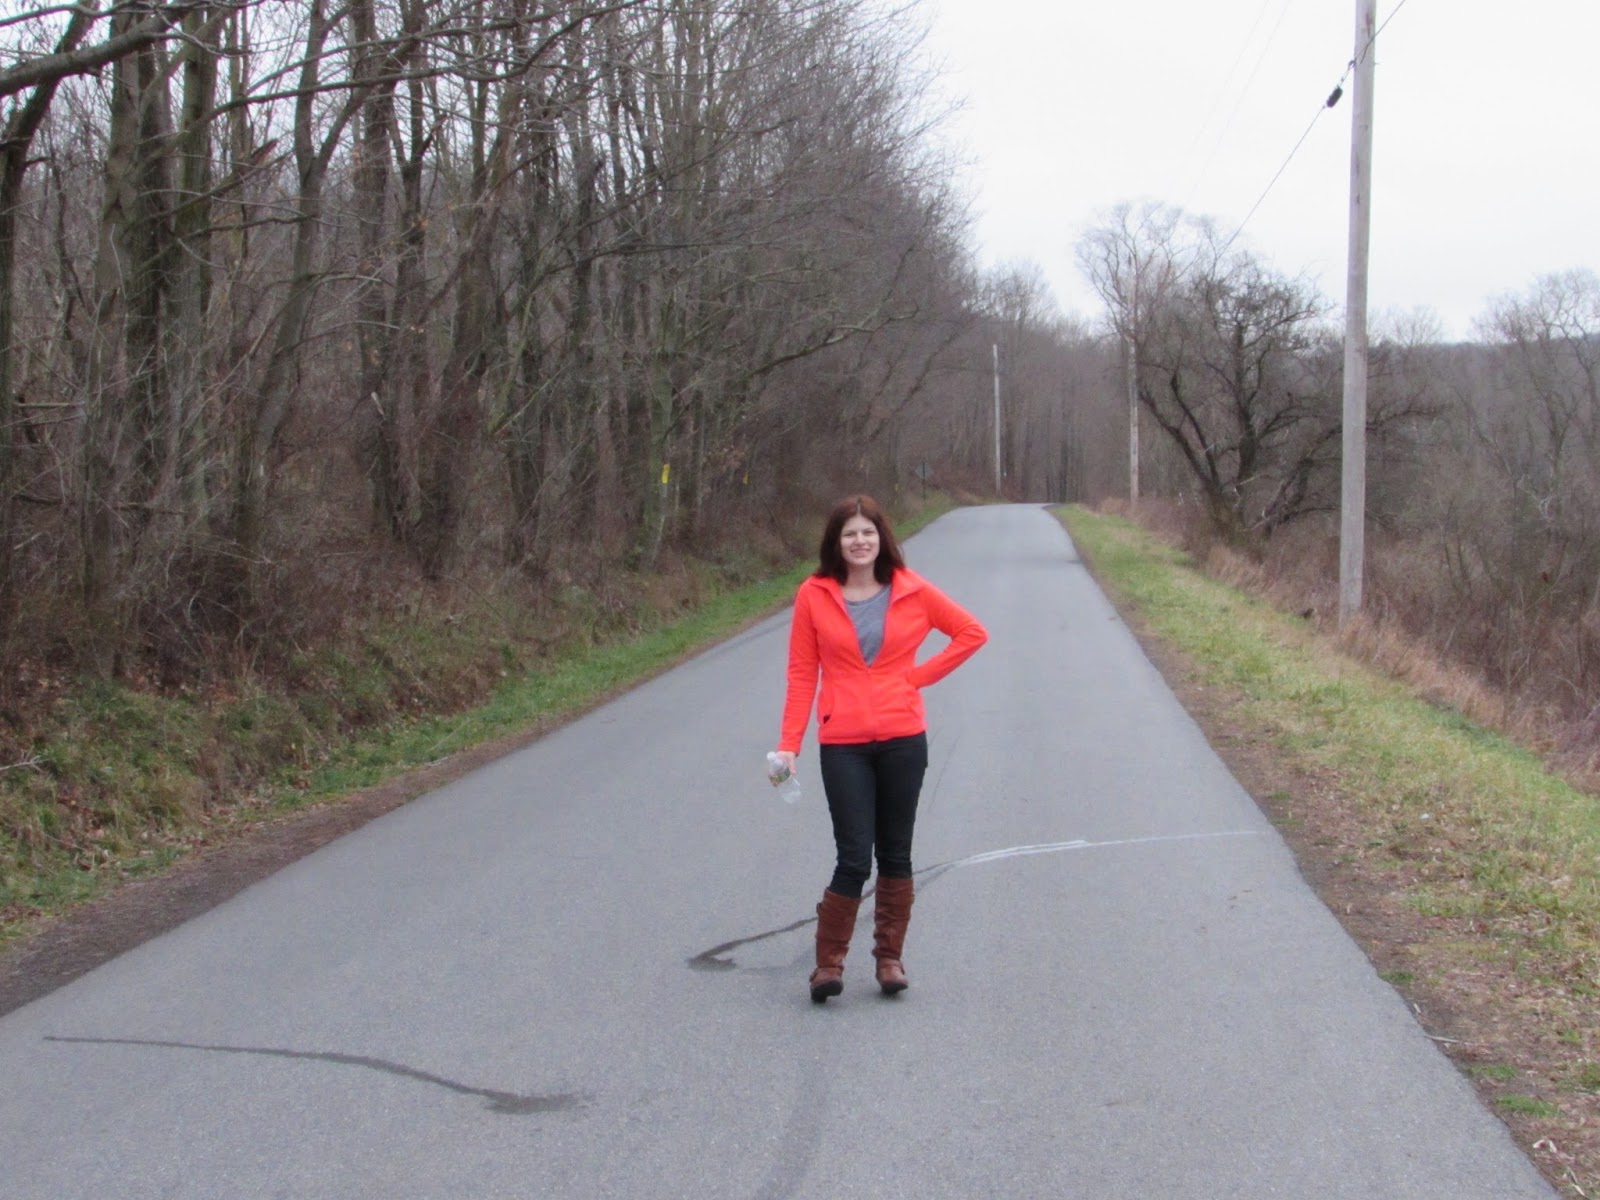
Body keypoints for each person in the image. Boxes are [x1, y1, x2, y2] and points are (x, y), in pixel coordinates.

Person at [773, 495, 987, 1002]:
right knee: (853, 855)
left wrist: (916, 677)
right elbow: (803, 672)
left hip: (902, 739)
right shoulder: (814, 594)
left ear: (882, 538)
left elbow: (971, 633)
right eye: (850, 534)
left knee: (895, 853)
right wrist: (788, 745)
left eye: (868, 532)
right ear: (837, 543)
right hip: (842, 742)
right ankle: (827, 965)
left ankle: (889, 959)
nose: (860, 541)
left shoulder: (911, 590)